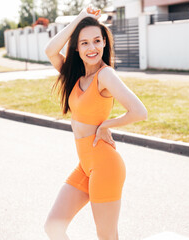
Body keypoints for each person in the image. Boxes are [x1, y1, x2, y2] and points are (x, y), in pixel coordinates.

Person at [44, 6, 148, 240]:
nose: (92, 48)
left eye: (96, 41)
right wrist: (80, 18)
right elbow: (50, 50)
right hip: (85, 164)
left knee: (107, 237)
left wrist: (107, 125)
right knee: (53, 227)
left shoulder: (105, 75)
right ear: (77, 47)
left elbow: (139, 112)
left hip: (105, 165)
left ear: (104, 43)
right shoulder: (76, 76)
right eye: (84, 43)